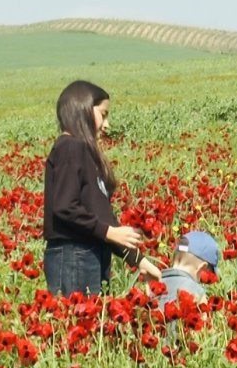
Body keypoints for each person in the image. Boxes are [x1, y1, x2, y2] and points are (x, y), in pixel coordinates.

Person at [43, 80, 161, 296]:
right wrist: (109, 232)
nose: (107, 125)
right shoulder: (69, 147)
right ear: (82, 109)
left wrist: (138, 260)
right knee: (77, 315)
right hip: (73, 256)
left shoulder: (85, 154)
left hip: (87, 255)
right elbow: (65, 206)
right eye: (103, 114)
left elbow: (102, 218)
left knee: (95, 315)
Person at [158, 231, 220, 308]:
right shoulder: (197, 293)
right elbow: (204, 315)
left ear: (173, 258)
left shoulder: (152, 285)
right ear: (202, 267)